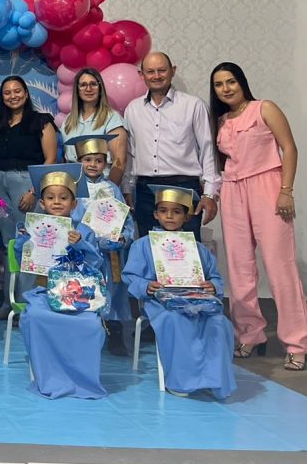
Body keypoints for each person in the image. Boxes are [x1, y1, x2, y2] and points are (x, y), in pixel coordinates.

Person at [211, 62, 307, 370]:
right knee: (239, 269)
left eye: (231, 81)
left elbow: (289, 148)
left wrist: (286, 190)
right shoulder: (221, 120)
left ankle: (297, 343)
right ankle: (249, 334)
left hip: (267, 186)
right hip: (232, 190)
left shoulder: (264, 108)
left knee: (280, 267)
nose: (225, 88)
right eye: (219, 84)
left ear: (242, 82)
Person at [124, 185, 236, 398]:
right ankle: (182, 380)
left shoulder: (198, 248)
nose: (169, 216)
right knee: (177, 320)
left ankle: (214, 379)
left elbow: (214, 276)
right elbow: (130, 276)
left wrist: (212, 286)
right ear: (155, 214)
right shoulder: (143, 245)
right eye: (163, 211)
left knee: (219, 323)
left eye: (176, 212)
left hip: (198, 301)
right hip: (160, 303)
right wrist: (146, 286)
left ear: (187, 217)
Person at [17, 163, 107, 399]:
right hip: (43, 292)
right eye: (50, 197)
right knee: (35, 317)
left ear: (74, 204)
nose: (57, 202)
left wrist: (80, 244)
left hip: (77, 295)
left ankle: (82, 380)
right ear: (41, 203)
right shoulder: (33, 228)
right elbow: (21, 260)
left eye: (64, 198)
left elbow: (96, 263)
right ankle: (50, 377)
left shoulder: (83, 230)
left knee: (90, 324)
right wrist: (24, 242)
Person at [123, 52, 219, 239]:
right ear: (141, 75)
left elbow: (208, 150)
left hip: (184, 188)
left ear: (172, 71)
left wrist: (209, 194)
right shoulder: (133, 109)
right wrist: (127, 189)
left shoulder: (193, 105)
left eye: (162, 70)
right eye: (150, 71)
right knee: (148, 249)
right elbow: (130, 153)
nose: (156, 76)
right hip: (145, 190)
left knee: (186, 250)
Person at [0, 75, 57, 318]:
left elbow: (51, 159)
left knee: (28, 244)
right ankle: (9, 304)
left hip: (27, 185)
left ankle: (26, 304)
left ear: (26, 93)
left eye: (17, 91)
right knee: (9, 245)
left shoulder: (41, 121)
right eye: (7, 92)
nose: (13, 96)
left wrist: (35, 191)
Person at [67, 133, 135, 356]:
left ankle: (115, 332)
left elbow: (125, 220)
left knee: (112, 291)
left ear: (106, 163)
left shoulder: (112, 189)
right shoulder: (72, 188)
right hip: (83, 251)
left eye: (99, 160)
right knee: (83, 289)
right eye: (87, 159)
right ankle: (83, 332)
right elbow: (67, 217)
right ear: (79, 161)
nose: (93, 164)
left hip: (108, 254)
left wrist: (123, 238)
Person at [60, 69, 128, 185]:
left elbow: (119, 162)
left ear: (100, 88)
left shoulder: (112, 118)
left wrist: (109, 190)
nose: (88, 89)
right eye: (83, 85)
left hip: (102, 184)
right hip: (74, 185)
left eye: (93, 84)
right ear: (77, 90)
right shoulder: (68, 120)